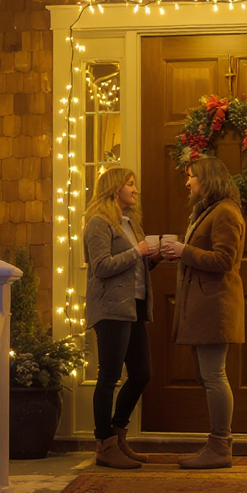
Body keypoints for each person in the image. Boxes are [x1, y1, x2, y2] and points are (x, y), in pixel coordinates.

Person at [160, 157, 245, 469]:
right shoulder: (209, 211)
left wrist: (184, 251)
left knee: (213, 375)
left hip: (215, 306)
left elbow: (224, 260)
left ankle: (221, 446)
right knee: (205, 375)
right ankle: (217, 444)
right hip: (202, 305)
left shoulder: (225, 212)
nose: (187, 182)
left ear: (207, 179)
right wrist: (180, 251)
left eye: (191, 176)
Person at [82, 167, 159, 469]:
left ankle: (118, 434)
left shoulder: (130, 222)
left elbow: (133, 267)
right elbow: (101, 267)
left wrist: (152, 259)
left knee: (142, 373)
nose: (135, 190)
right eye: (130, 185)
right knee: (109, 376)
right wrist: (137, 252)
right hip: (111, 308)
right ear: (115, 189)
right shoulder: (98, 223)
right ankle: (104, 444)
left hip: (134, 306)